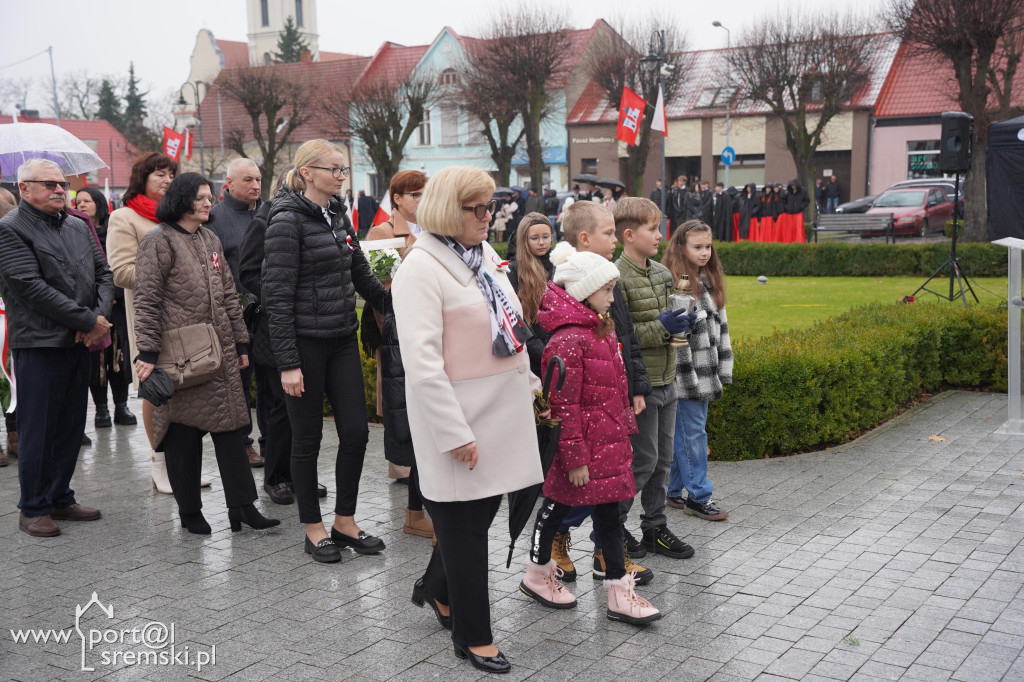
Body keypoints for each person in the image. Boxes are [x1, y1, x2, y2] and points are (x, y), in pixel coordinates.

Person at [392, 165, 544, 674]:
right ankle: (473, 636)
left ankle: (436, 589)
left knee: (475, 519)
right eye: (477, 208)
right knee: (464, 529)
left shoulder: (483, 257)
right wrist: (452, 431)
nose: (489, 216)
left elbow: (510, 328)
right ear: (446, 211)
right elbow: (421, 363)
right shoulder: (420, 269)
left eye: (491, 206)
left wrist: (530, 385)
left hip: (502, 409)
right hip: (460, 416)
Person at [519, 242, 662, 625]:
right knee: (555, 506)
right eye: (607, 290)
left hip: (606, 447)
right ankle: (536, 573)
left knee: (610, 517)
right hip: (581, 451)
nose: (613, 298)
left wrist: (623, 434)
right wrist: (576, 457)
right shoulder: (569, 339)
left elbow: (610, 391)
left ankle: (618, 589)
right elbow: (564, 407)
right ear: (584, 293)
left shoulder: (598, 329)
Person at [264, 139, 390, 563]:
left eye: (343, 170)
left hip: (340, 338)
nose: (341, 176)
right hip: (303, 344)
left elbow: (360, 273)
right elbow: (276, 297)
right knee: (308, 439)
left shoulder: (337, 213)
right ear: (307, 173)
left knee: (355, 432)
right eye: (334, 169)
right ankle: (313, 528)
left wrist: (396, 300)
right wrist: (288, 363)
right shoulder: (286, 220)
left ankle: (345, 522)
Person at [132, 173, 279, 536]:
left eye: (209, 197)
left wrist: (241, 344)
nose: (208, 202)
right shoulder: (158, 241)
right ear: (182, 200)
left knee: (231, 430)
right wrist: (147, 355)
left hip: (221, 354)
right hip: (182, 359)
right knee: (183, 434)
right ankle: (190, 511)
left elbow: (229, 293)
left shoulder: (209, 237)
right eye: (200, 197)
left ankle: (243, 507)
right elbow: (146, 300)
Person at [0, 159, 114, 537]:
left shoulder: (77, 225)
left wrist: (96, 320)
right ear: (24, 189)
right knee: (38, 428)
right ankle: (32, 507)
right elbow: (29, 286)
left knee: (70, 426)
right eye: (48, 184)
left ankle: (60, 496)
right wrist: (87, 321)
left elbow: (104, 275)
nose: (59, 190)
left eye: (62, 183)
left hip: (79, 342)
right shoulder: (9, 229)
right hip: (39, 344)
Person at [547, 201, 653, 585]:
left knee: (614, 481)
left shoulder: (606, 282)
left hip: (611, 405)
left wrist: (635, 386)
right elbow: (566, 376)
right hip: (586, 416)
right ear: (585, 238)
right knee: (577, 487)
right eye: (609, 233)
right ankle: (555, 542)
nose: (615, 239)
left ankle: (605, 556)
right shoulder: (572, 290)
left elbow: (624, 336)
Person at [108, 151, 207, 495]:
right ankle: (159, 464)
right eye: (158, 174)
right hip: (152, 319)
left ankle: (185, 465)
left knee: (186, 390)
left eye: (171, 174)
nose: (166, 180)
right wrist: (172, 275)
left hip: (190, 318)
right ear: (142, 179)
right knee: (157, 390)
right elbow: (120, 271)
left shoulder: (181, 216)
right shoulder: (125, 217)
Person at [614, 197, 696, 560]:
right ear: (629, 235)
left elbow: (670, 322)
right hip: (641, 387)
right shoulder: (616, 278)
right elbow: (622, 337)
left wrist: (683, 324)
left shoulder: (663, 274)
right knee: (642, 462)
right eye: (652, 229)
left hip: (668, 379)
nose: (660, 235)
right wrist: (662, 326)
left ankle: (655, 527)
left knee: (664, 460)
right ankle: (613, 527)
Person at [364, 169, 433, 540]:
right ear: (398, 199)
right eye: (415, 195)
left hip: (428, 331)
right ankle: (400, 467)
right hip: (398, 333)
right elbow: (382, 292)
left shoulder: (434, 229)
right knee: (398, 405)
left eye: (426, 193)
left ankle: (408, 473)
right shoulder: (382, 233)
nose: (422, 200)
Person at [662, 219, 733, 521]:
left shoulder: (708, 281)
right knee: (693, 436)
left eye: (708, 246)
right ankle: (699, 496)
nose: (704, 252)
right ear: (681, 247)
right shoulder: (676, 285)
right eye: (697, 247)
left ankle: (675, 491)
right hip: (686, 377)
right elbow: (676, 340)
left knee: (687, 434)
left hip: (707, 375)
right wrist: (685, 380)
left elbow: (723, 330)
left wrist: (724, 368)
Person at [210, 158, 265, 468]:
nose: (255, 185)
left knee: (270, 381)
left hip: (269, 310)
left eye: (257, 179)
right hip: (235, 315)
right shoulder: (215, 219)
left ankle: (270, 440)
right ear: (228, 184)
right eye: (247, 180)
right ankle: (243, 442)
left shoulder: (268, 213)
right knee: (239, 382)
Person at [74, 187, 136, 429]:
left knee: (118, 360)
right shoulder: (76, 231)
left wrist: (114, 294)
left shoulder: (115, 229)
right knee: (96, 362)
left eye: (86, 201)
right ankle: (101, 409)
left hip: (117, 308)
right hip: (92, 308)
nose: (80, 205)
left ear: (99, 203)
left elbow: (122, 265)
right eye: (77, 202)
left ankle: (121, 405)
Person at [507, 213, 555, 377]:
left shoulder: (560, 264)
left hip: (560, 348)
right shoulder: (513, 270)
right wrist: (541, 352)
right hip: (532, 355)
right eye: (534, 238)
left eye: (545, 236)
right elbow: (516, 318)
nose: (541, 242)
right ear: (524, 239)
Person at [781, 178, 810, 243]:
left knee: (798, 228)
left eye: (794, 185)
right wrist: (786, 207)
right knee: (789, 229)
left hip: (798, 213)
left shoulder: (803, 191)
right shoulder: (788, 192)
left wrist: (801, 207)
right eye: (792, 185)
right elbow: (783, 201)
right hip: (789, 213)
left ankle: (799, 241)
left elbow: (807, 200)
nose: (793, 187)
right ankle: (789, 241)